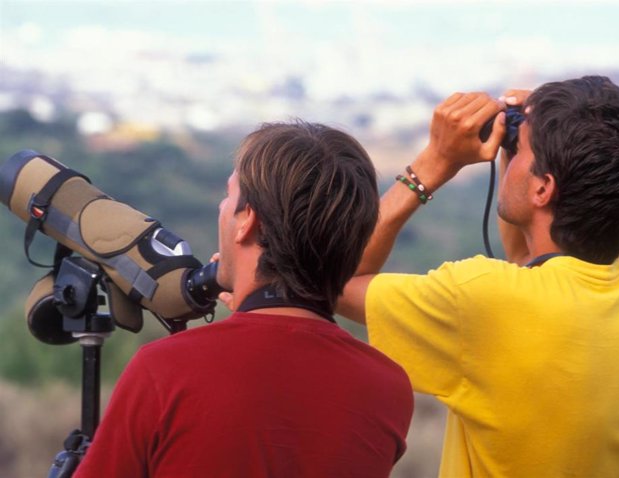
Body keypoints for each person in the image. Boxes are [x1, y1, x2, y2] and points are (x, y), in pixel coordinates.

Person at [338, 76, 619, 478]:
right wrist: (524, 144)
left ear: (543, 188)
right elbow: (532, 257)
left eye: (518, 149)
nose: (510, 149)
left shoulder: (481, 300)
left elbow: (337, 278)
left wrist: (434, 162)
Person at [75, 121, 414, 478]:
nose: (222, 207)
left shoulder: (164, 370)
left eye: (229, 196)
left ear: (247, 221)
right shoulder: (387, 388)